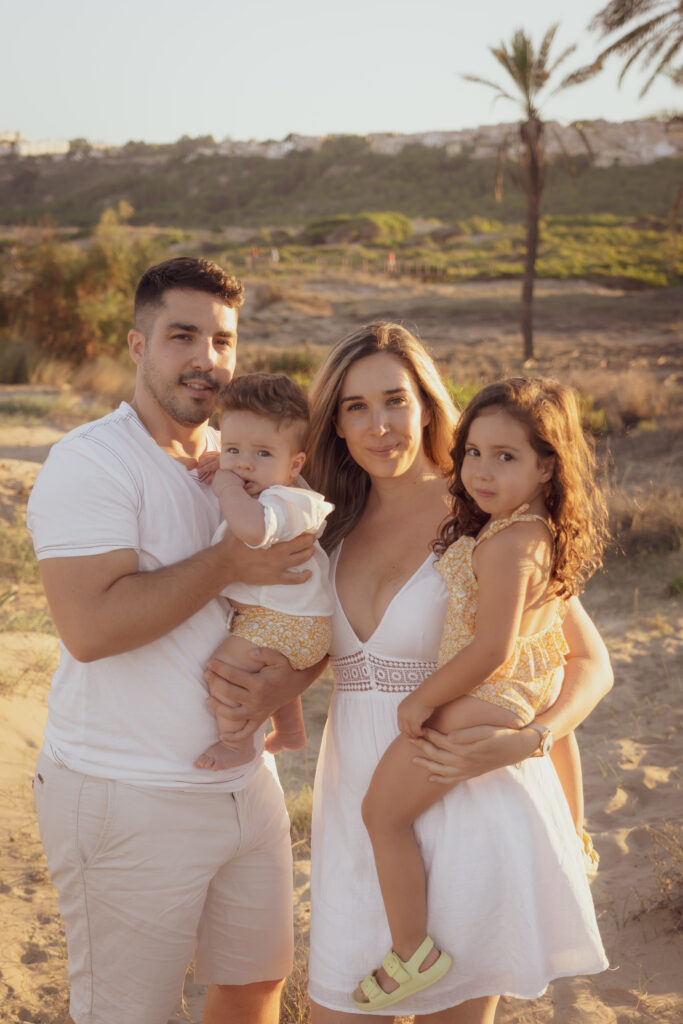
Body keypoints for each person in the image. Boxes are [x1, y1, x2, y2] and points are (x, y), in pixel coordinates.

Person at [26, 256, 324, 1024]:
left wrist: (292, 684)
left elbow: (314, 598)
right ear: (137, 343)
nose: (206, 359)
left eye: (222, 340)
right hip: (126, 793)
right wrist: (229, 557)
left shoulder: (243, 468)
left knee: (256, 984)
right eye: (182, 335)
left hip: (242, 785)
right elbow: (89, 630)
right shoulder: (91, 462)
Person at [290, 322, 610, 1023]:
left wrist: (531, 739)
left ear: (427, 405)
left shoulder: (484, 507)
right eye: (355, 406)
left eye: (395, 400)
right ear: (335, 424)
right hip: (359, 812)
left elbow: (586, 662)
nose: (379, 425)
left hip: (469, 796)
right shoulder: (324, 523)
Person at [194, 372, 333, 771]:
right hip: (290, 623)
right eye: (233, 449)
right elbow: (245, 465)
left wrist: (225, 486)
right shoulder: (276, 486)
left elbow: (253, 530)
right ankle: (290, 731)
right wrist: (223, 461)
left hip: (285, 622)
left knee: (223, 676)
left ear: (295, 464)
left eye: (263, 455)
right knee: (268, 675)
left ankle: (237, 743)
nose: (244, 466)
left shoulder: (284, 501)